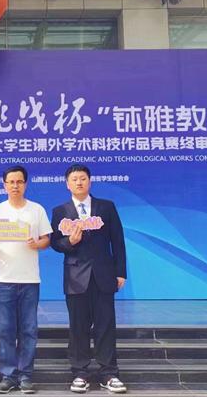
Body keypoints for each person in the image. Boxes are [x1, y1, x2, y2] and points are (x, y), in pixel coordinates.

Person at [50, 164, 127, 394]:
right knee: (78, 326)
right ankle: (80, 372)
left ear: (90, 181)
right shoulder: (60, 211)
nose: (79, 182)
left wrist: (120, 272)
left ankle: (109, 373)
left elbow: (118, 241)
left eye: (83, 178)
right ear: (67, 184)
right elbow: (55, 243)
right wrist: (70, 242)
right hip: (75, 277)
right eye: (74, 179)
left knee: (106, 325)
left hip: (104, 275)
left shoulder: (106, 207)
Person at [0, 165, 52, 394]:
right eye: (11, 182)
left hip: (29, 279)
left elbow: (46, 239)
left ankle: (25, 376)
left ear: (25, 184)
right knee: (4, 330)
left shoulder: (36, 210)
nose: (15, 186)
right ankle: (8, 376)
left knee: (28, 329)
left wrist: (37, 243)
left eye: (19, 182)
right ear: (4, 185)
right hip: (3, 278)